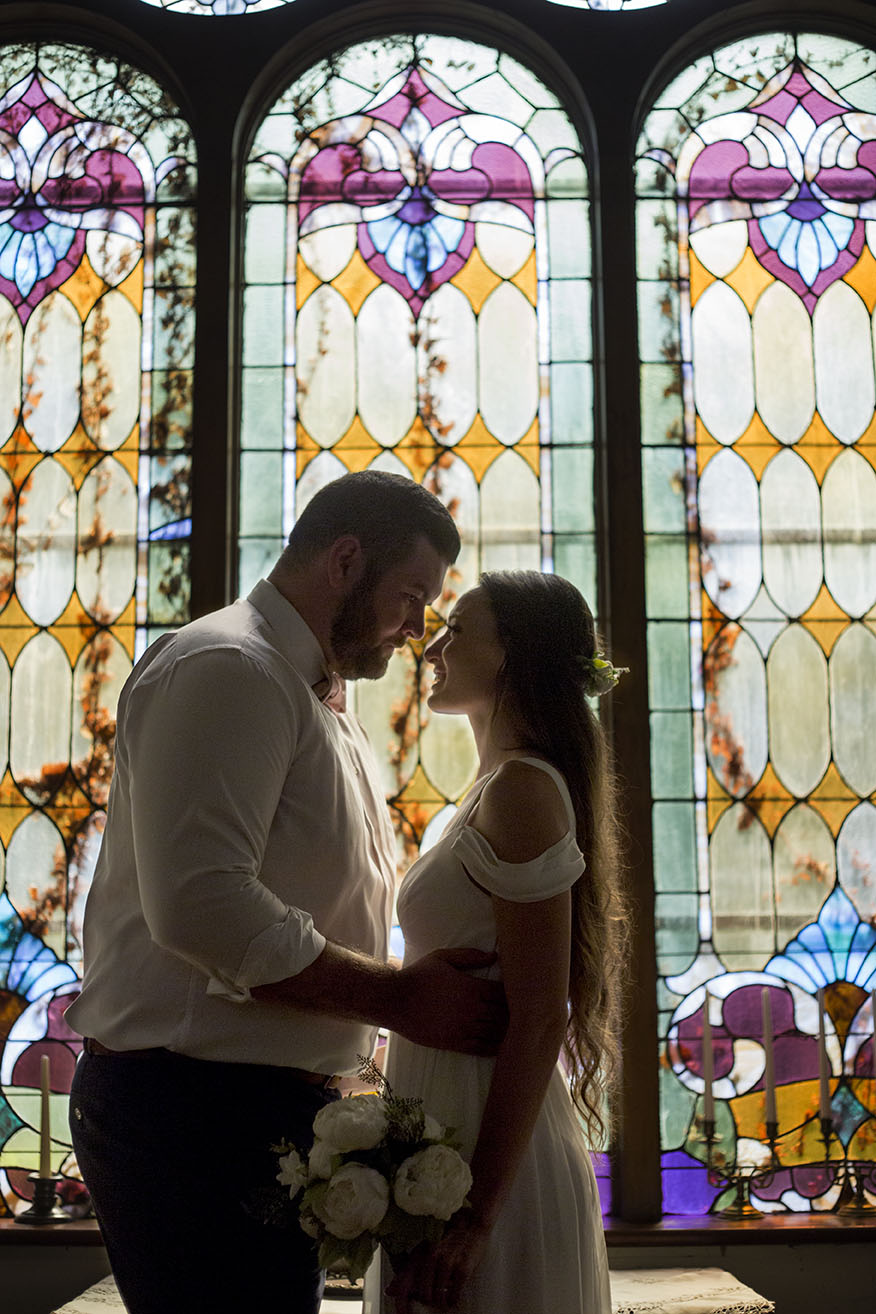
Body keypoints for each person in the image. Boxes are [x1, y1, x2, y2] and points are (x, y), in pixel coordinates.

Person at [66, 470, 507, 1314]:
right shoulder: (231, 668)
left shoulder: (315, 696)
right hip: (190, 1115)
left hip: (245, 1112)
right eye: (411, 595)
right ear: (345, 560)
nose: (417, 629)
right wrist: (400, 1000)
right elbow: (204, 906)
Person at [364, 570, 627, 1314]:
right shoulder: (485, 793)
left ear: (513, 655)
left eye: (459, 631)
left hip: (490, 1156)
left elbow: (542, 1013)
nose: (433, 644)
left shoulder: (522, 790)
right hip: (442, 1131)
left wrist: (477, 1216)